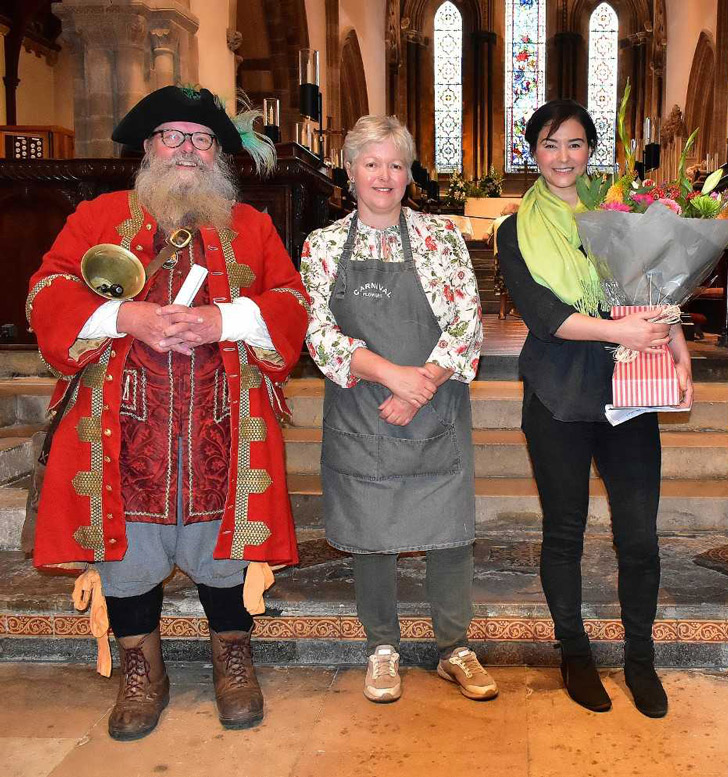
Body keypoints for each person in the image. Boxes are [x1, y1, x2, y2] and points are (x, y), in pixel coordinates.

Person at [28, 85, 308, 740]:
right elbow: (47, 290)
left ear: (218, 154)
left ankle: (232, 657)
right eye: (172, 137)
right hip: (123, 424)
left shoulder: (251, 226)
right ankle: (141, 669)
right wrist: (127, 316)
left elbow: (292, 302)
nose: (186, 149)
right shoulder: (98, 216)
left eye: (201, 139)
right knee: (126, 548)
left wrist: (222, 321)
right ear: (148, 148)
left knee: (224, 546)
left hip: (223, 421)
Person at [496, 100, 693, 717]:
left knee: (640, 536)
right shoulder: (514, 230)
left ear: (590, 152)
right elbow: (544, 316)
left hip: (630, 389)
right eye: (550, 144)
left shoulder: (620, 213)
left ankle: (640, 659)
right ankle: (575, 654)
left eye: (575, 144)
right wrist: (618, 332)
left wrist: (677, 345)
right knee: (564, 533)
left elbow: (656, 288)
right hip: (558, 394)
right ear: (533, 152)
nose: (563, 157)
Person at [301, 115, 496, 704]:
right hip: (362, 406)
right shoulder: (323, 246)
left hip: (435, 404)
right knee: (371, 529)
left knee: (449, 531)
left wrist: (423, 384)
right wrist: (392, 377)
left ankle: (454, 647)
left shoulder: (442, 238)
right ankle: (381, 647)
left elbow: (467, 321)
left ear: (409, 174)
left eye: (395, 164)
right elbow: (319, 333)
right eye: (371, 163)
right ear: (350, 171)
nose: (383, 175)